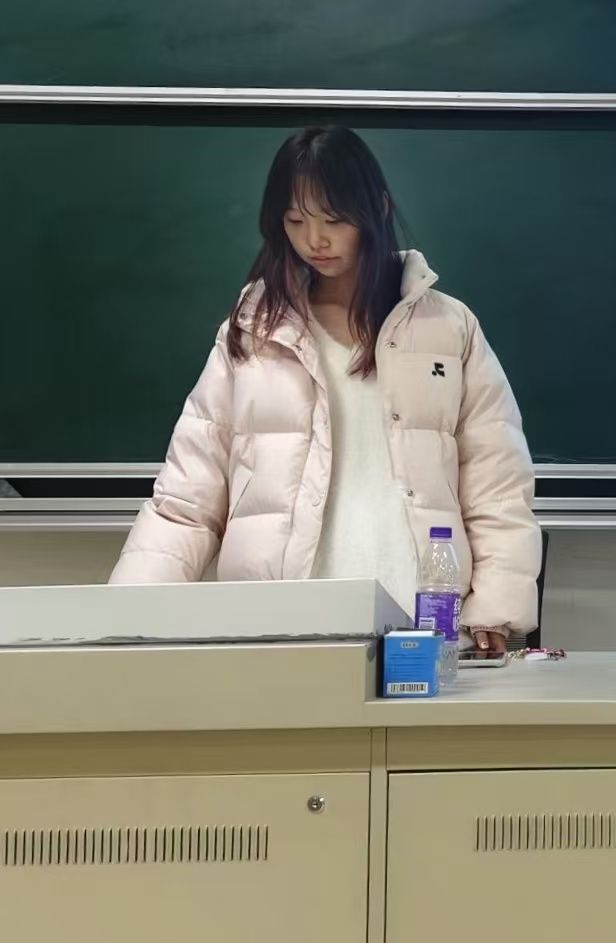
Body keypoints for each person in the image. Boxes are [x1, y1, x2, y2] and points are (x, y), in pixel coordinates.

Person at [110, 126, 540, 652]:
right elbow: (187, 495)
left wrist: (495, 608)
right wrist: (125, 618)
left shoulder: (447, 328)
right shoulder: (253, 330)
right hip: (283, 622)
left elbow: (496, 482)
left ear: (377, 209)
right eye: (296, 221)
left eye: (334, 219)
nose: (315, 240)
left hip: (418, 615)